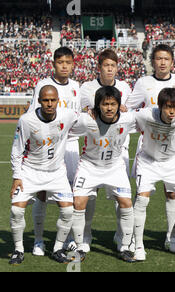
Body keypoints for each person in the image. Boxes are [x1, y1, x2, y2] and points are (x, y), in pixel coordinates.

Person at [125, 44, 175, 255]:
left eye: (166, 59)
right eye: (158, 59)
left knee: (173, 195)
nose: (162, 62)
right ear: (152, 61)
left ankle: (172, 240)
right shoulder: (143, 82)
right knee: (142, 197)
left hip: (173, 150)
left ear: (172, 62)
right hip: (149, 148)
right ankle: (136, 245)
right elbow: (129, 108)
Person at [9, 85, 78, 265]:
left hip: (56, 173)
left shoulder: (67, 115)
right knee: (16, 210)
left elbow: (86, 120)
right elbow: (17, 150)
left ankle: (57, 248)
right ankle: (18, 250)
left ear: (58, 101)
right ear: (39, 101)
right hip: (30, 172)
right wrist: (17, 176)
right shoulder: (26, 120)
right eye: (45, 100)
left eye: (52, 100)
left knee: (68, 210)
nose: (49, 104)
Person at [132, 87, 175, 261]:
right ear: (160, 106)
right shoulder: (146, 115)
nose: (172, 111)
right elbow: (124, 115)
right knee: (142, 199)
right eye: (168, 107)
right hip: (148, 161)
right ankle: (138, 245)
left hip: (173, 161)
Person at [70, 86, 136, 262]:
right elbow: (65, 125)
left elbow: (150, 116)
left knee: (126, 202)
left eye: (113, 104)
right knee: (78, 202)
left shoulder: (128, 119)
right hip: (89, 166)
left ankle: (125, 246)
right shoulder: (86, 120)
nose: (109, 108)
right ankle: (80, 244)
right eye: (105, 104)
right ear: (97, 105)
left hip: (114, 167)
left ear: (119, 105)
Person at [27, 46, 81, 256]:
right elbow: (33, 117)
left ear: (73, 64)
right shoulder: (43, 85)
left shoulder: (77, 86)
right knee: (42, 191)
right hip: (49, 145)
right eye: (60, 62)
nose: (64, 66)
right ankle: (38, 240)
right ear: (54, 64)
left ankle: (67, 239)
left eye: (68, 62)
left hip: (71, 145)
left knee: (69, 194)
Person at [79, 48, 132, 253]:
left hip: (120, 148)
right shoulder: (87, 87)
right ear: (99, 67)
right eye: (106, 66)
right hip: (95, 147)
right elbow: (90, 112)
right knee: (90, 194)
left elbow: (128, 113)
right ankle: (85, 236)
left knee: (121, 195)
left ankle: (122, 238)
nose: (110, 69)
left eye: (113, 66)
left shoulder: (125, 86)